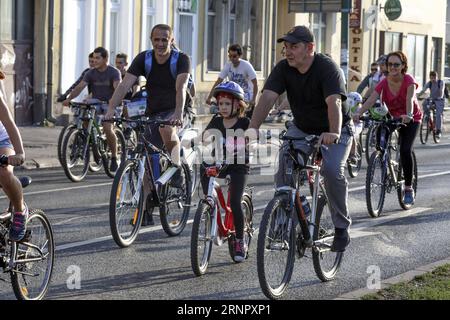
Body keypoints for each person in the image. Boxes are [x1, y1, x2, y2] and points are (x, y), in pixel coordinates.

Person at [248, 25, 353, 252]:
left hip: (336, 129)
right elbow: (267, 98)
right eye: (286, 47)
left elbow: (333, 102)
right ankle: (289, 216)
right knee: (284, 165)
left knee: (332, 170)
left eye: (294, 46)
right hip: (303, 127)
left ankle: (341, 227)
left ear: (310, 48)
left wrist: (333, 132)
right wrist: (252, 128)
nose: (288, 51)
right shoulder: (284, 68)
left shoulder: (327, 68)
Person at [354, 51, 422, 205]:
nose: (393, 67)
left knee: (405, 150)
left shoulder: (408, 80)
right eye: (390, 64)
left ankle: (408, 187)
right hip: (391, 117)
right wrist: (359, 112)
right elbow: (372, 99)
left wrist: (409, 114)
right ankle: (383, 159)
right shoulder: (384, 82)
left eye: (396, 64)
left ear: (403, 66)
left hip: (410, 118)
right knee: (380, 136)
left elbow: (410, 98)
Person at [202, 81, 250, 262]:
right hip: (220, 163)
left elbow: (252, 136)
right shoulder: (216, 120)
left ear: (237, 105)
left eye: (227, 104)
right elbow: (205, 138)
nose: (222, 107)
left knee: (236, 202)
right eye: (220, 103)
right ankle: (210, 201)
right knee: (203, 166)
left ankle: (239, 240)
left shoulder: (244, 122)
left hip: (238, 166)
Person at [62, 47, 122, 172]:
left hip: (109, 104)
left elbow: (118, 88)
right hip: (96, 102)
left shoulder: (114, 72)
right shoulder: (90, 73)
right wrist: (69, 98)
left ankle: (114, 157)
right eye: (93, 58)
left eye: (97, 58)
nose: (94, 60)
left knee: (107, 128)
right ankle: (93, 142)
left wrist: (114, 101)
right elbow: (80, 87)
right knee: (85, 118)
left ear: (105, 59)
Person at [0, 70, 28, 241]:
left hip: (2, 141)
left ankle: (19, 210)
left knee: (3, 172)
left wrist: (19, 153)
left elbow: (9, 123)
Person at [206, 44, 258, 117]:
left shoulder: (246, 65)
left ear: (239, 56)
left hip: (247, 96)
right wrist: (209, 97)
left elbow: (255, 83)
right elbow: (218, 81)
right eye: (230, 56)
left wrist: (254, 99)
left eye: (234, 56)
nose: (232, 58)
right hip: (235, 94)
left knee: (243, 119)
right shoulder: (228, 65)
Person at [418, 71, 445, 138]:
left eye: (434, 77)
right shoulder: (429, 83)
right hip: (432, 99)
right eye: (431, 78)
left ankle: (438, 131)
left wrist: (440, 96)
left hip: (440, 100)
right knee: (424, 103)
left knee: (438, 114)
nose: (433, 79)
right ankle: (428, 120)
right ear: (430, 78)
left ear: (437, 77)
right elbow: (423, 90)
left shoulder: (440, 82)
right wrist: (417, 96)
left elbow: (442, 90)